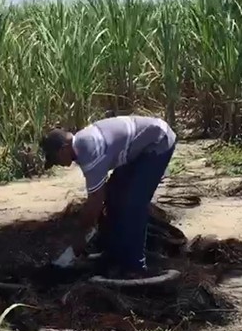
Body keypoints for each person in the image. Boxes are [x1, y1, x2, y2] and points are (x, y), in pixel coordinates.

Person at [40, 115, 176, 278]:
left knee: (134, 204)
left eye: (55, 160)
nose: (57, 164)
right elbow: (101, 197)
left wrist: (81, 235)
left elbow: (95, 201)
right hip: (136, 149)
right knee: (113, 195)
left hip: (158, 141)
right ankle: (114, 252)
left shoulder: (89, 150)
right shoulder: (82, 142)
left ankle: (136, 266)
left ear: (63, 150)